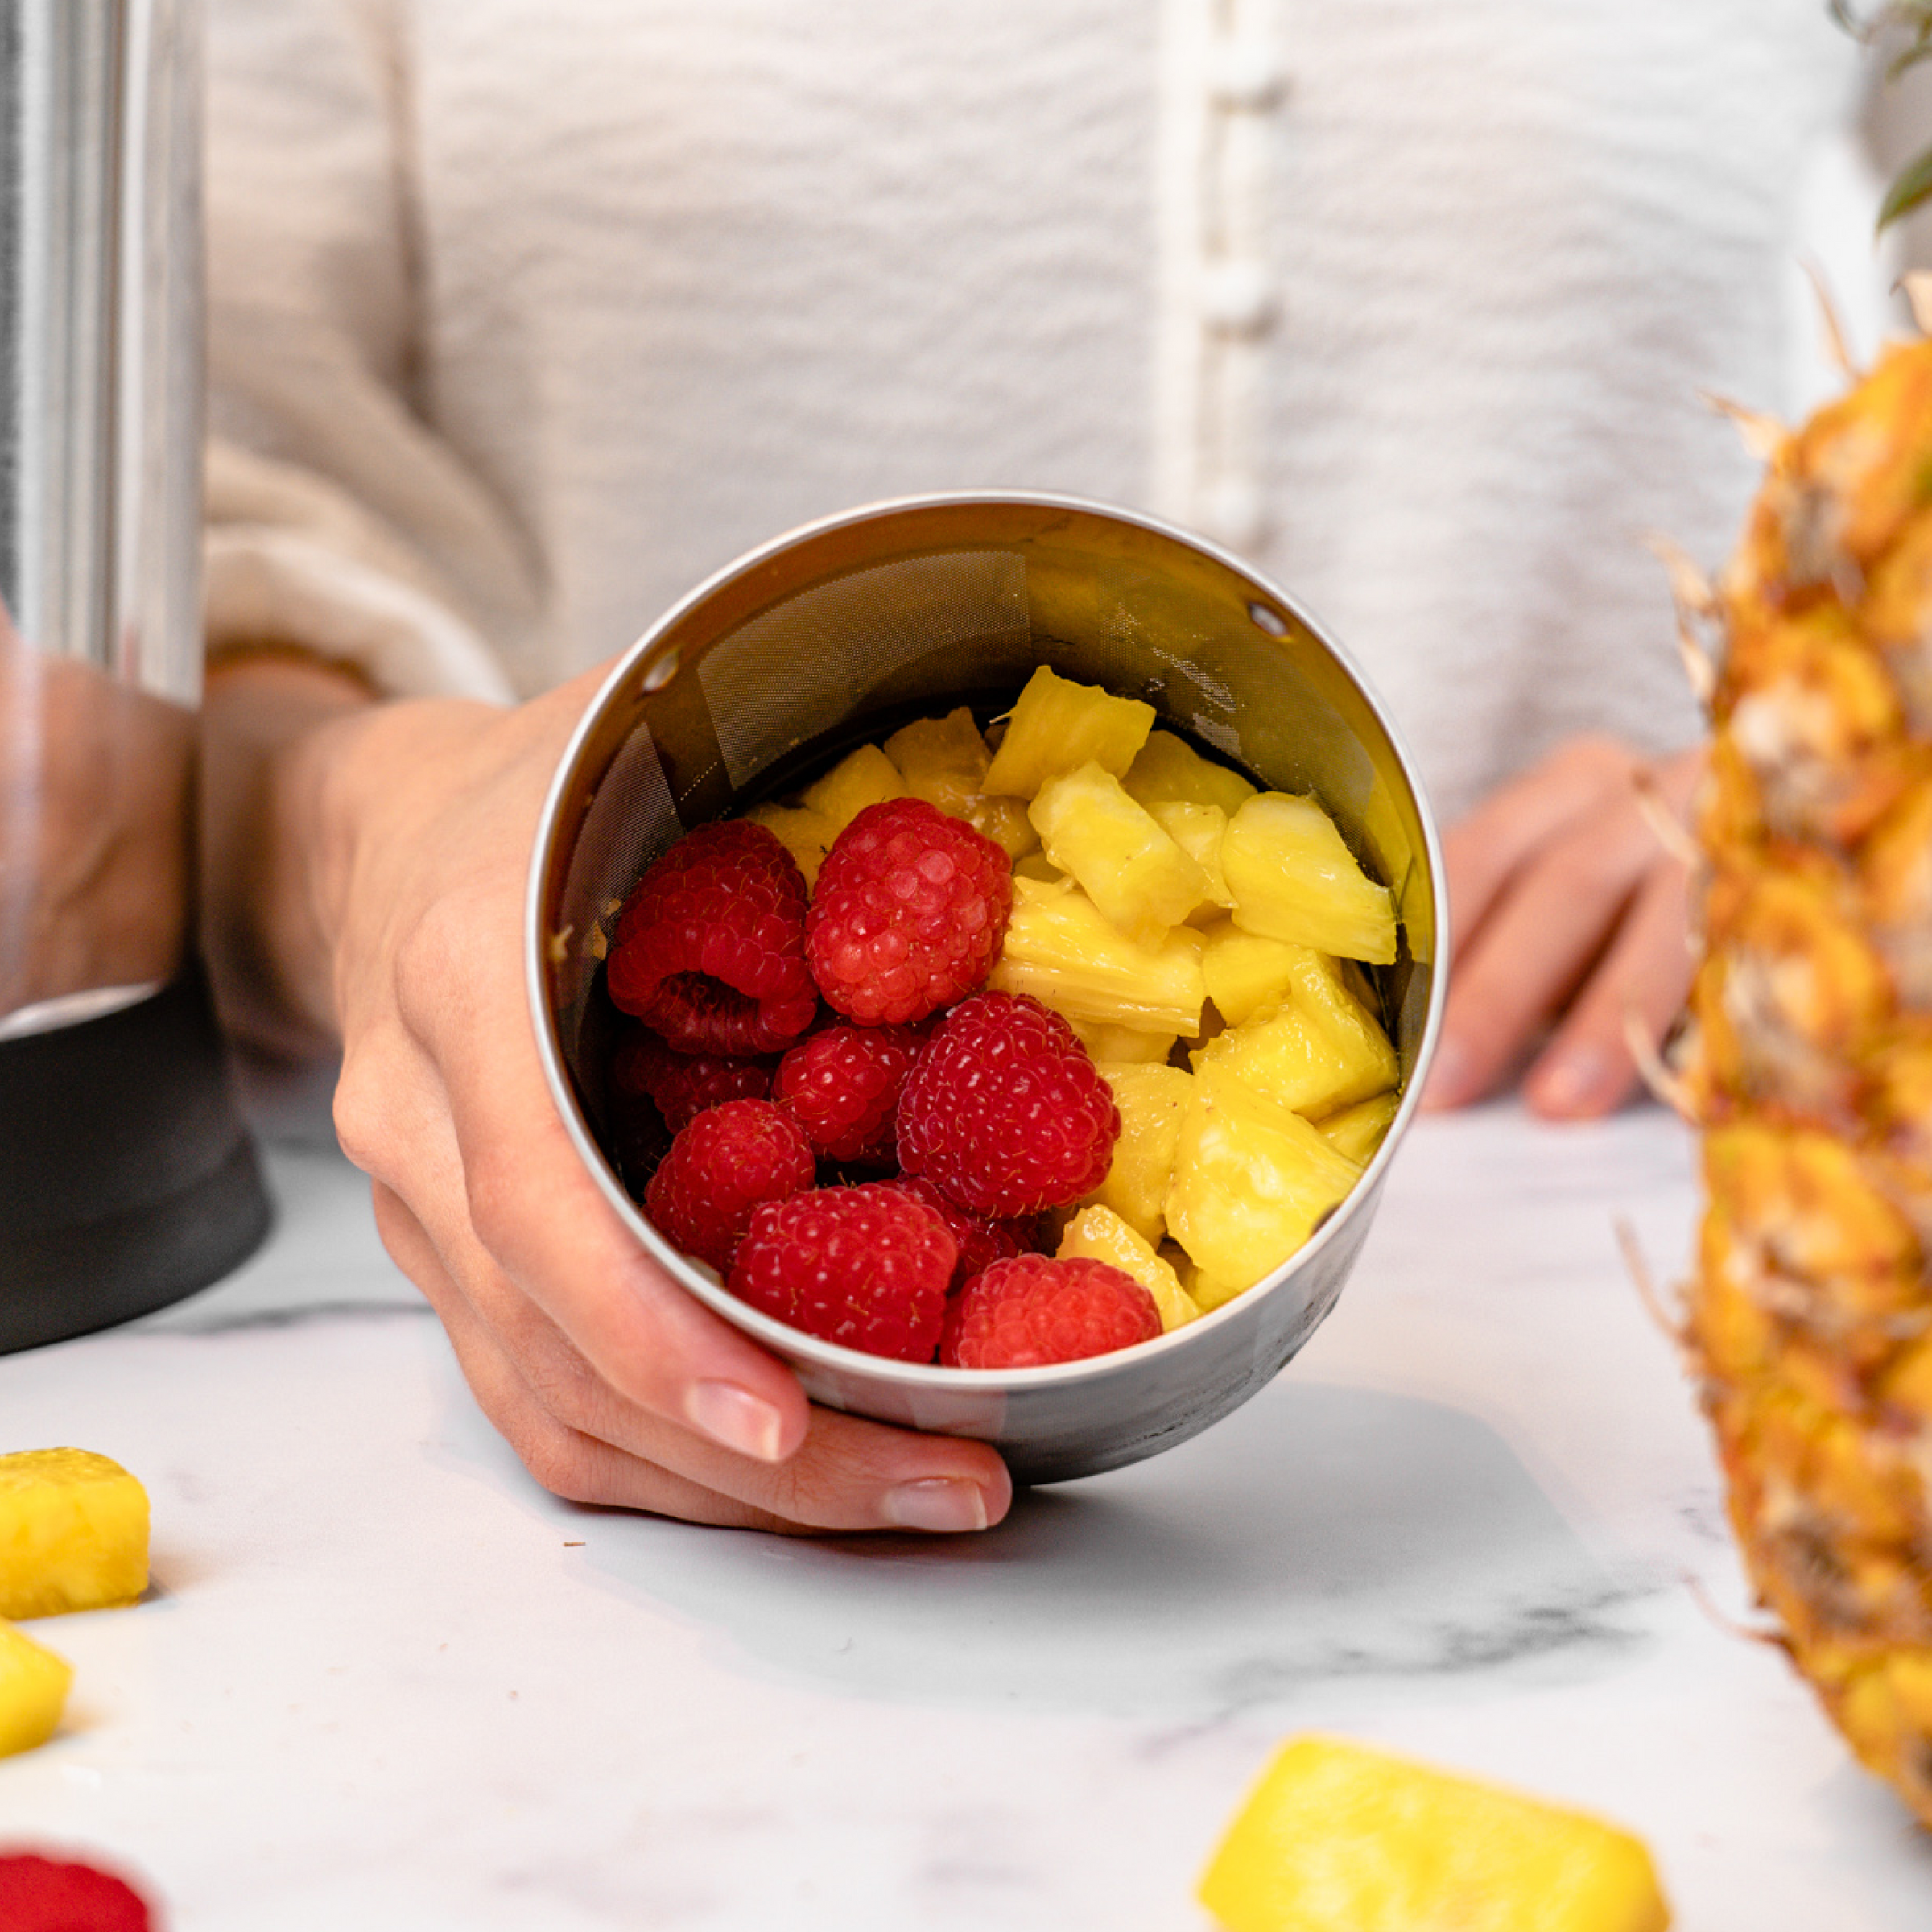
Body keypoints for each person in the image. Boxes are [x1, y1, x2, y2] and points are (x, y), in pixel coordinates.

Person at [195, 0, 1888, 1534]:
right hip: (432, 1266)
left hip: (1640, 1287)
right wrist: (371, 813)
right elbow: (166, 604)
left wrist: (1846, 800)